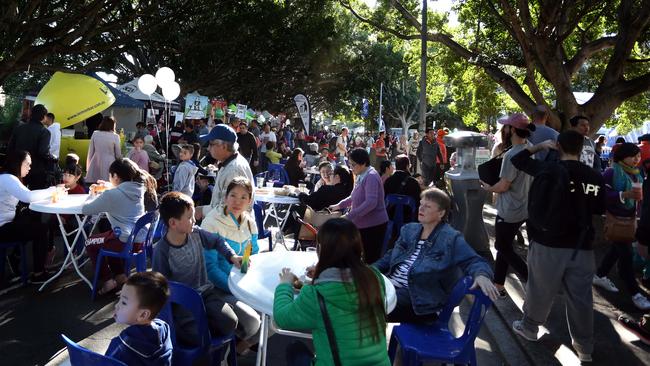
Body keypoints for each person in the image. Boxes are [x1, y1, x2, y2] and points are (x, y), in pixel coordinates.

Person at [509, 131, 606, 362]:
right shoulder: (595, 176)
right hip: (582, 246)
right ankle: (585, 347)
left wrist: (540, 146)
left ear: (558, 146)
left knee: (540, 290)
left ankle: (530, 328)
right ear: (582, 147)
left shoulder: (548, 170)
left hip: (547, 243)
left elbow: (517, 160)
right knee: (581, 298)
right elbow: (598, 211)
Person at [274, 218, 391, 366]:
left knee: (294, 348)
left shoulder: (315, 294)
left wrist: (284, 285)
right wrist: (323, 271)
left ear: (321, 248)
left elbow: (282, 318)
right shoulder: (374, 277)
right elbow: (347, 287)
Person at [374, 188, 497, 323]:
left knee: (368, 309)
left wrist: (482, 275)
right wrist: (368, 271)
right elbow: (390, 256)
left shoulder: (450, 238)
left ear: (441, 213)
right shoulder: (409, 230)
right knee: (353, 296)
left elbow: (474, 260)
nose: (421, 208)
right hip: (391, 285)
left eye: (427, 206)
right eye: (421, 204)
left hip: (420, 298)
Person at [153, 192, 241, 346]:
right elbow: (161, 285)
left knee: (230, 322)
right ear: (173, 223)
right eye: (189, 217)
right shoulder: (162, 250)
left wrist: (232, 256)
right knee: (196, 336)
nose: (194, 220)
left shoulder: (196, 234)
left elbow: (217, 241)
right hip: (183, 304)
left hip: (206, 293)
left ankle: (205, 328)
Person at [201, 178, 262, 354]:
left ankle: (239, 348)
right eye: (233, 195)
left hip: (244, 284)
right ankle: (227, 352)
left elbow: (254, 254)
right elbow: (210, 269)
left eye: (244, 197)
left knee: (277, 314)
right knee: (253, 322)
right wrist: (235, 287)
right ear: (225, 197)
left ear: (249, 200)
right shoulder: (212, 222)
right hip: (219, 289)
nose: (238, 201)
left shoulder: (249, 222)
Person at [480, 113, 535, 296]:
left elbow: (503, 186)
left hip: (510, 210)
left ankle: (532, 279)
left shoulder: (512, 155)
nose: (504, 129)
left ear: (512, 129)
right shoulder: (531, 148)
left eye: (507, 126)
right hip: (525, 206)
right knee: (506, 244)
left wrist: (488, 188)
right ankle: (498, 284)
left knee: (502, 247)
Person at [593, 142, 650, 310]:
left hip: (629, 219)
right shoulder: (611, 171)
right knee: (626, 257)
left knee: (616, 250)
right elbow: (603, 194)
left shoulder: (636, 174)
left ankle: (600, 275)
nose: (637, 159)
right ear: (622, 156)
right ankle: (635, 293)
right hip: (615, 219)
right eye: (633, 156)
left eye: (638, 156)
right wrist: (624, 194)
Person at [82, 158, 151, 295]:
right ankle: (120, 277)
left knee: (90, 242)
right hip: (138, 240)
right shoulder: (138, 188)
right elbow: (121, 190)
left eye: (110, 175)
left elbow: (87, 209)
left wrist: (92, 194)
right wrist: (109, 185)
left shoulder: (111, 195)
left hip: (124, 242)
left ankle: (107, 280)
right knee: (110, 236)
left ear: (116, 176)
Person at [0, 151, 56, 284]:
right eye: (27, 164)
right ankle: (38, 273)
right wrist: (52, 190)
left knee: (33, 221)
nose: (29, 168)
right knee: (40, 229)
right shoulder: (8, 178)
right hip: (2, 228)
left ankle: (16, 257)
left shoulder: (7, 177)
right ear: (18, 163)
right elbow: (28, 197)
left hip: (6, 224)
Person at [330, 148, 389, 264]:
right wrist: (338, 205)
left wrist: (349, 215)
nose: (351, 167)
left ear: (363, 163)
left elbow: (371, 203)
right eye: (349, 164)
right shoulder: (361, 174)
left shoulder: (371, 176)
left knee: (369, 260)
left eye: (353, 164)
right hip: (361, 224)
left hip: (373, 226)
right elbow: (353, 196)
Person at [105, 272, 173, 366]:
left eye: (124, 302)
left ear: (143, 315)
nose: (117, 305)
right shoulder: (164, 329)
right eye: (119, 299)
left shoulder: (121, 346)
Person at [195, 125, 254, 220]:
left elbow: (229, 208)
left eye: (211, 144)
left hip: (230, 229)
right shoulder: (229, 163)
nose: (208, 148)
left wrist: (202, 210)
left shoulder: (233, 169)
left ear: (224, 146)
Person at [7, 104, 53, 189]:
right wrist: (52, 157)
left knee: (16, 196)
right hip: (37, 170)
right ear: (43, 117)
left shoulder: (19, 128)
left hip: (18, 168)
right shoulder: (44, 132)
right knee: (34, 196)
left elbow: (10, 148)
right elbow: (42, 152)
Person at [384, 155, 421, 224]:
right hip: (409, 219)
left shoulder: (388, 181)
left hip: (390, 218)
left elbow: (384, 199)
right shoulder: (413, 182)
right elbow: (418, 203)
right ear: (407, 166)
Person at [86, 116, 122, 183]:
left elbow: (90, 151)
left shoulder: (95, 133)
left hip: (96, 161)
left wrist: (88, 167)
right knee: (108, 185)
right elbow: (118, 154)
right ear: (113, 125)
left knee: (95, 186)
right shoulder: (115, 136)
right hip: (110, 162)